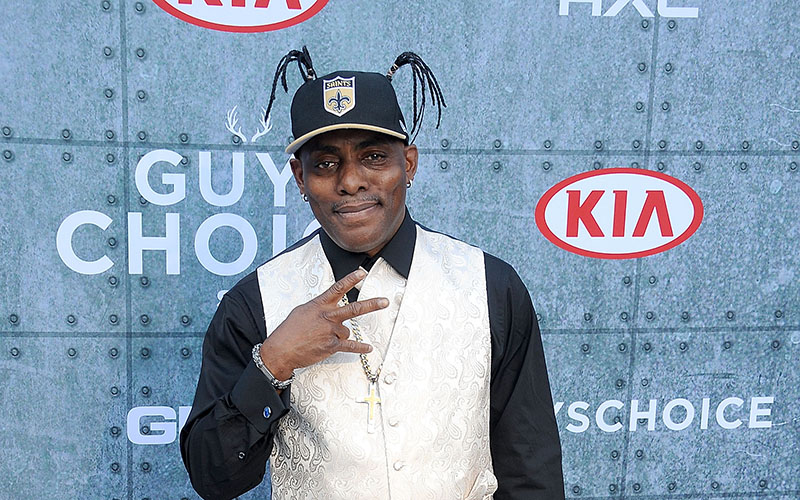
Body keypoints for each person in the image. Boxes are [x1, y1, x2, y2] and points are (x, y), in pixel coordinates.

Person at [180, 47, 564, 500]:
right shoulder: (255, 302)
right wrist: (274, 363)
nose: (350, 181)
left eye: (375, 157)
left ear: (409, 163)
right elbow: (213, 478)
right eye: (325, 164)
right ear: (300, 178)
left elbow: (530, 469)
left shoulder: (489, 286)